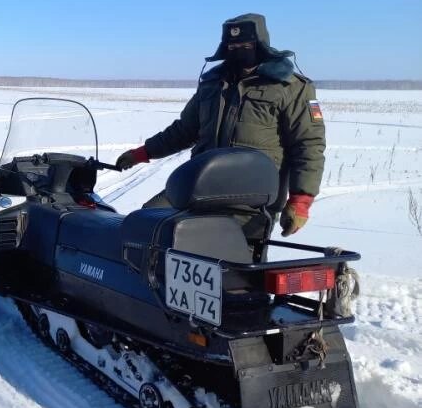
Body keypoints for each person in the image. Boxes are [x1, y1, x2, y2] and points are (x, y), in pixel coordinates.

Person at [116, 13, 325, 241]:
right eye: (233, 45)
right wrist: (143, 152)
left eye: (246, 45)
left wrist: (301, 201)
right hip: (200, 186)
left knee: (231, 261)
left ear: (262, 45)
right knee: (149, 222)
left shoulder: (291, 87)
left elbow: (308, 145)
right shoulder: (212, 83)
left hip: (250, 197)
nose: (239, 50)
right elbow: (183, 131)